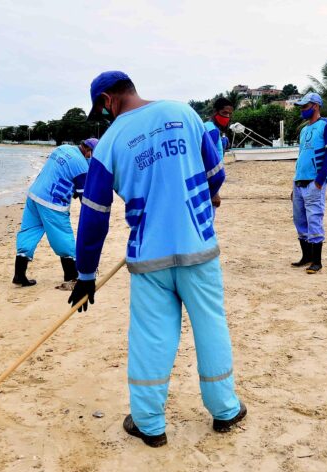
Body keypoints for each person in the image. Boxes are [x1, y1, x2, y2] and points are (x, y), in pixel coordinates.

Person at [69, 70, 245, 447]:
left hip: (149, 257)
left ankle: (149, 424)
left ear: (106, 101)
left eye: (101, 111)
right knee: (211, 326)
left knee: (152, 337)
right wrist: (207, 195)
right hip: (199, 245)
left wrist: (86, 273)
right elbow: (216, 174)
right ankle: (225, 410)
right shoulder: (185, 114)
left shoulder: (109, 142)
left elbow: (94, 215)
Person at [13, 138, 98, 289]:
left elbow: (61, 172)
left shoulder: (63, 148)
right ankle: (71, 277)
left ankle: (19, 274)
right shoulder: (81, 165)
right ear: (88, 151)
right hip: (53, 203)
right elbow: (84, 196)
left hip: (34, 195)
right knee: (63, 237)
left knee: (28, 232)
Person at [289, 92, 327, 273]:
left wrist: (320, 180)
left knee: (314, 219)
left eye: (305, 106)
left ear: (315, 106)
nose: (302, 110)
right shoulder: (304, 130)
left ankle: (317, 261)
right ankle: (306, 257)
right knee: (299, 220)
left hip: (314, 181)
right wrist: (294, 183)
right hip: (299, 181)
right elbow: (301, 156)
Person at [203, 97, 234, 209]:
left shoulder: (209, 127)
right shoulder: (213, 131)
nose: (227, 117)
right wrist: (214, 192)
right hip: (209, 189)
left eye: (229, 114)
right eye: (224, 113)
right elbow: (207, 162)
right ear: (215, 112)